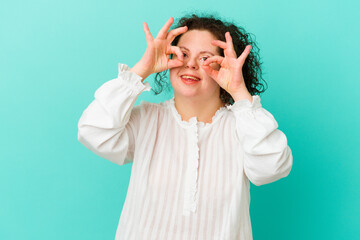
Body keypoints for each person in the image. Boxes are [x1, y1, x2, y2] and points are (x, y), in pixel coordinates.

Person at [77, 14, 293, 240]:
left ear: (224, 67)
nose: (190, 64)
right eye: (184, 54)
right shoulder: (146, 120)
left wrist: (239, 93)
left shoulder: (242, 127)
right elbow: (93, 131)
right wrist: (142, 68)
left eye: (205, 58)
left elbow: (272, 168)